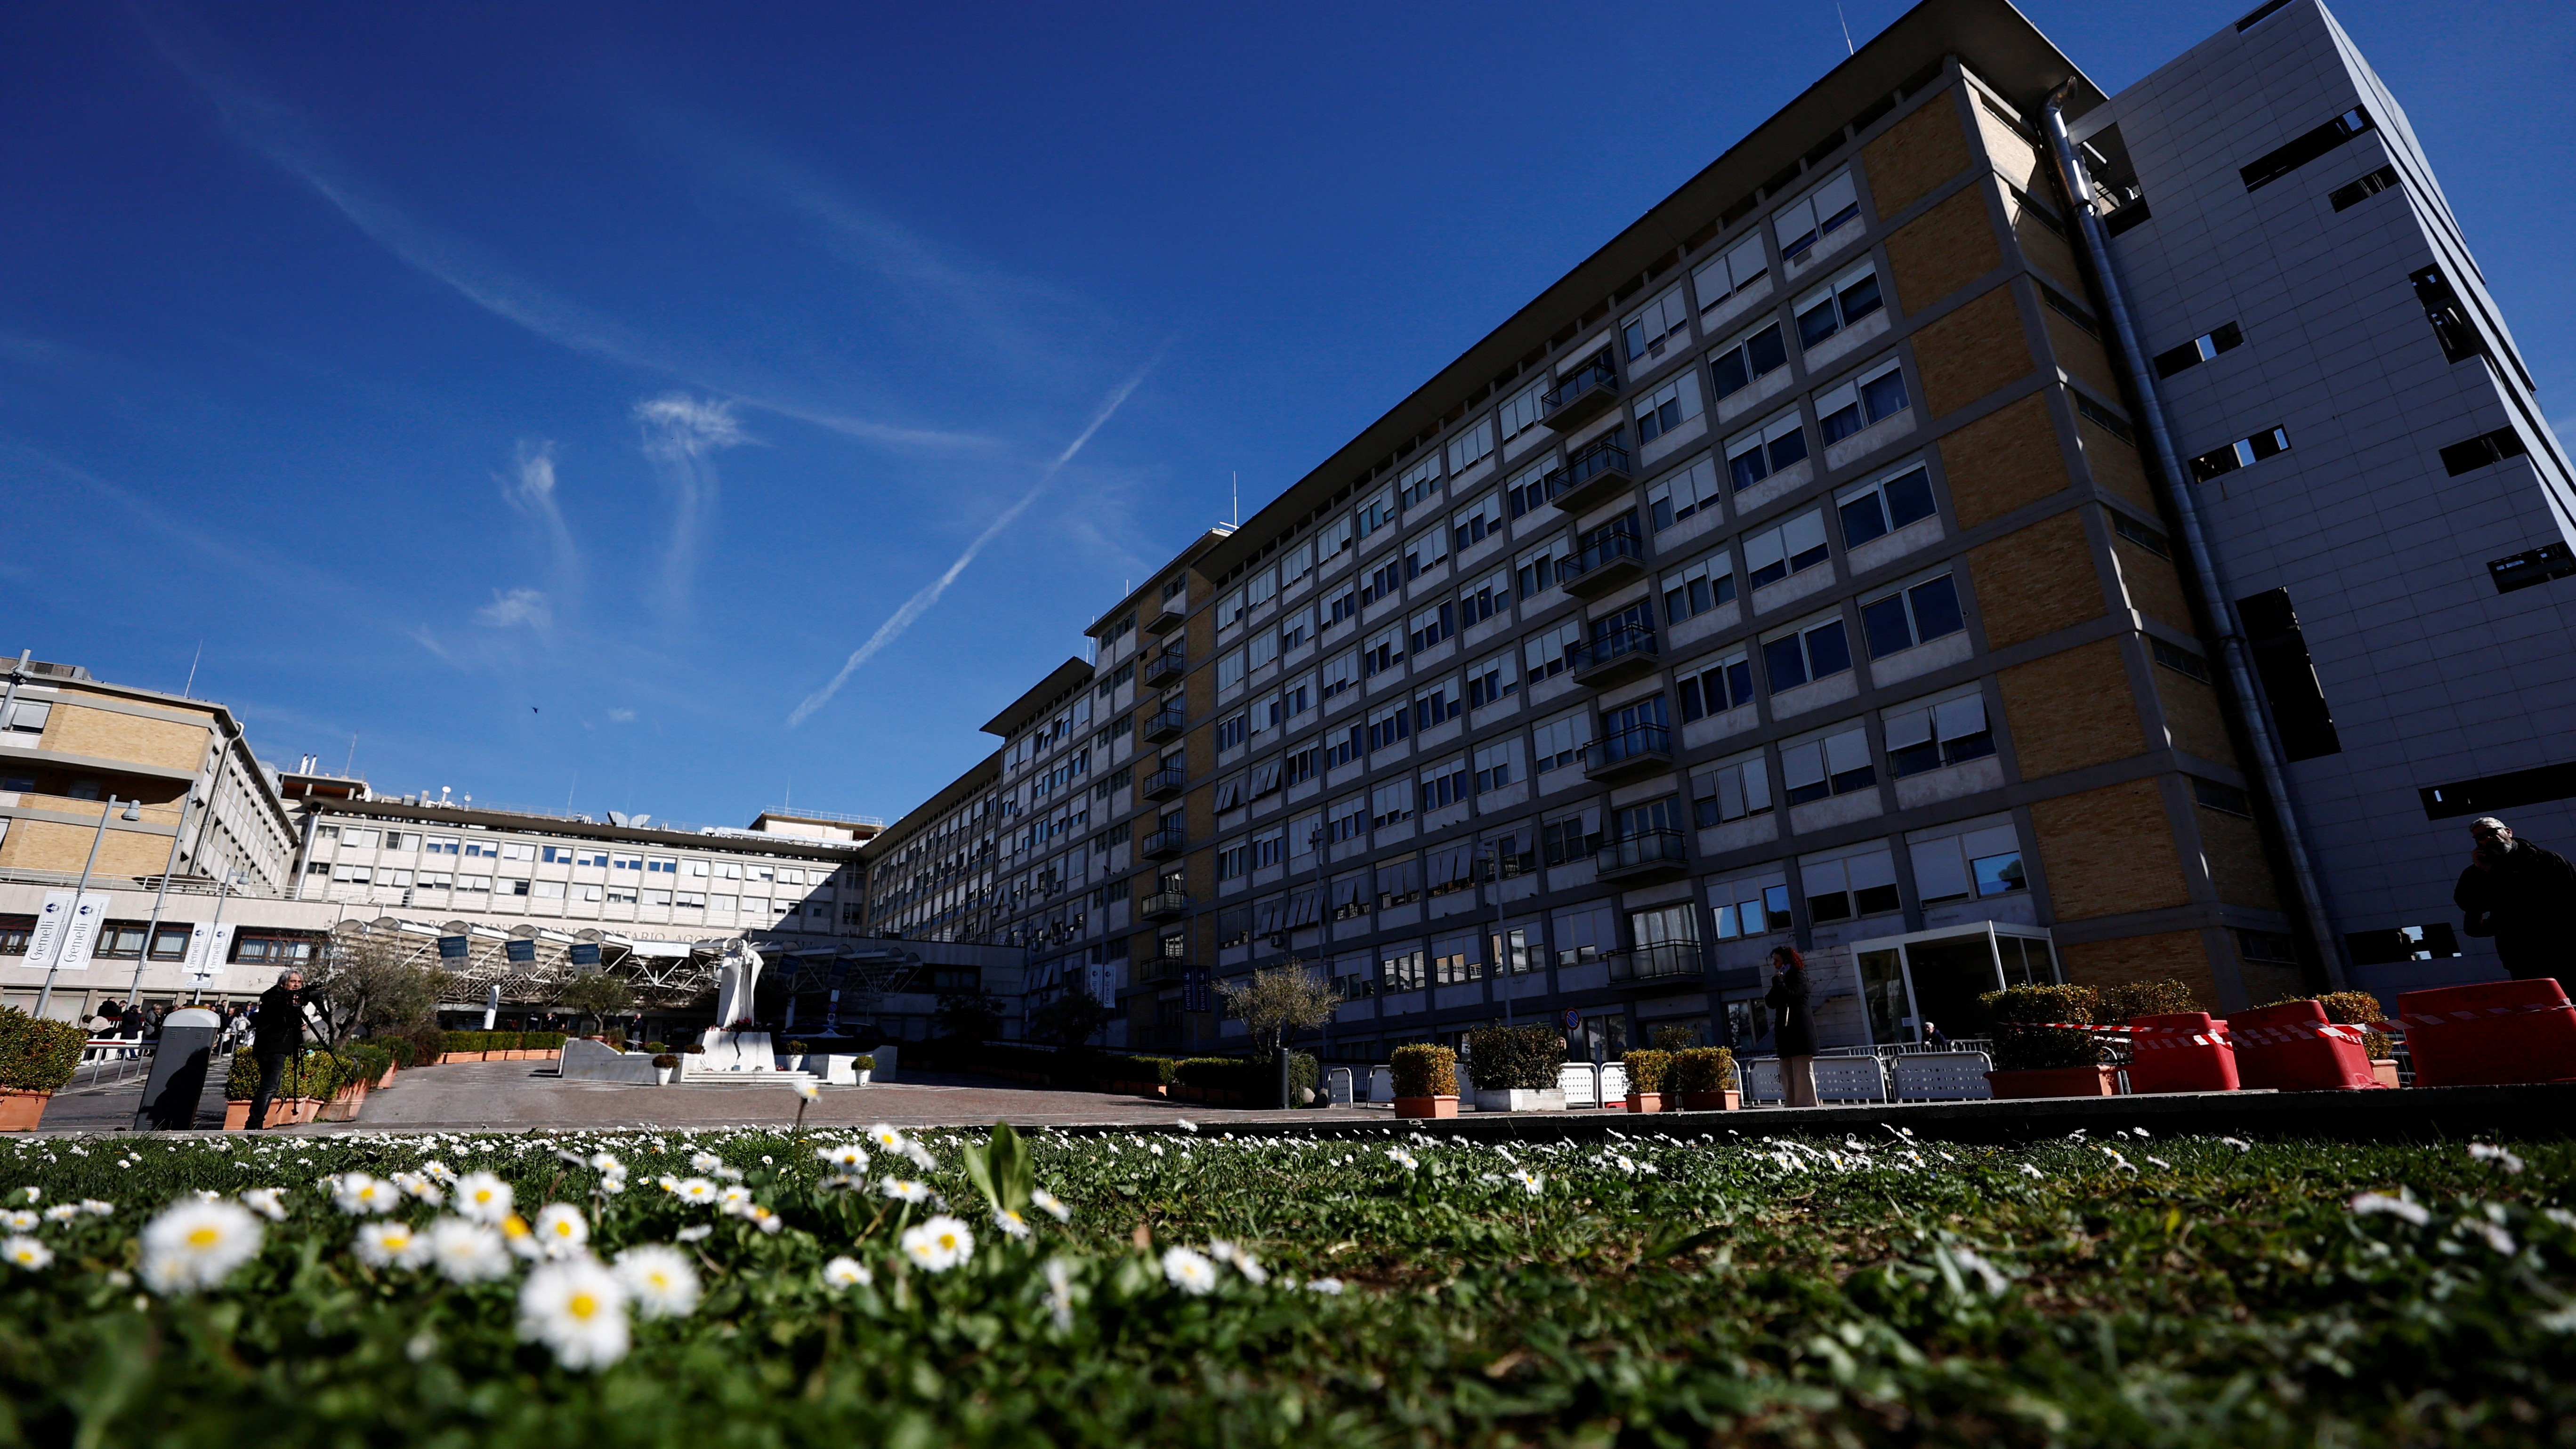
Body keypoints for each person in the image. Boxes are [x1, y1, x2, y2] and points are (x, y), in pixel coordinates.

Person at [2454, 816, 2576, 993]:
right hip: (2524, 959)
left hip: (2566, 951)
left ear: (2508, 832)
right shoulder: (2476, 873)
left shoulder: (2546, 860)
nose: (2487, 839)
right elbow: (2471, 913)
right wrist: (2484, 872)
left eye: (2491, 832)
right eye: (2480, 837)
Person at [246, 970, 315, 1131]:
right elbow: (277, 1018)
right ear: (283, 983)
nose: (297, 985)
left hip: (279, 1048)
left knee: (272, 1086)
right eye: (293, 982)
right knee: (269, 1086)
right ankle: (255, 1124)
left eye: (299, 982)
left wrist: (299, 1026)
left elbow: (288, 1020)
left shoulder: (287, 1000)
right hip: (271, 1048)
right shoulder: (274, 998)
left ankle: (255, 1121)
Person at [1765, 946, 1818, 1108]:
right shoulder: (1781, 978)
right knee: (1787, 1073)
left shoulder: (1799, 976)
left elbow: (1791, 995)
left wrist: (1779, 982)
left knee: (1802, 1072)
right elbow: (1770, 1002)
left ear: (1786, 961)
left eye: (1777, 960)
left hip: (1799, 1032)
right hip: (1785, 1033)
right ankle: (1792, 1104)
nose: (1775, 964)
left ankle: (1807, 1105)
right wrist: (1778, 982)